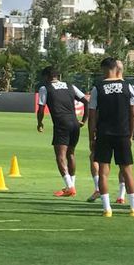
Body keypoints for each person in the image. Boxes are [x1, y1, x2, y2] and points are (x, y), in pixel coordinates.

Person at [88, 57, 134, 217]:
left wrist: (91, 137)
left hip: (103, 134)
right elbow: (133, 113)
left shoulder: (97, 88)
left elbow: (92, 115)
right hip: (122, 134)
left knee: (103, 172)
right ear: (117, 68)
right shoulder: (129, 87)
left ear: (105, 69)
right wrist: (130, 134)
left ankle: (107, 209)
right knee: (127, 170)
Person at [36, 66, 88, 197]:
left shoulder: (45, 88)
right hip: (74, 123)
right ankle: (71, 186)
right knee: (71, 154)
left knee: (60, 156)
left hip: (61, 124)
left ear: (47, 77)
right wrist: (84, 120)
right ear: (58, 76)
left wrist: (40, 122)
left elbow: (41, 108)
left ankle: (70, 187)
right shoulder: (70, 86)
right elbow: (86, 102)